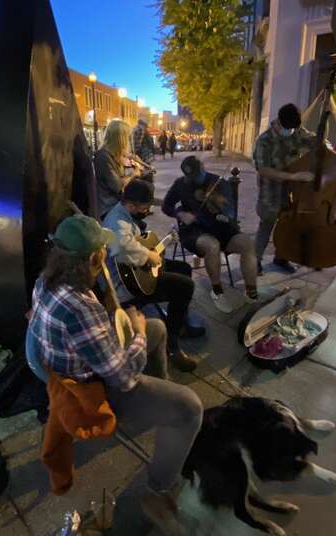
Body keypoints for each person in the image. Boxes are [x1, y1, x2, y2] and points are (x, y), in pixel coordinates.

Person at [25, 214, 204, 531]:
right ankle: (158, 489)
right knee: (190, 408)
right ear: (94, 258)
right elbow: (121, 377)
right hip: (91, 388)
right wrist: (135, 332)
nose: (105, 257)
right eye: (102, 253)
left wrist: (124, 321)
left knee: (159, 328)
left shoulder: (44, 281)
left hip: (62, 366)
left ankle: (156, 409)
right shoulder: (80, 307)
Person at [102, 178, 203, 373]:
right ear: (131, 205)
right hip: (126, 288)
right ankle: (172, 346)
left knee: (183, 268)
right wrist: (149, 255)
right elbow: (122, 248)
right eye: (144, 208)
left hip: (135, 273)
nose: (146, 211)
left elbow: (137, 241)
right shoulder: (116, 221)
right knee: (185, 286)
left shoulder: (125, 212)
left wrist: (155, 248)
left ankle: (180, 323)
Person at [162, 156, 258, 314]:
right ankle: (217, 290)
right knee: (212, 246)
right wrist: (180, 213)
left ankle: (251, 290)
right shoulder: (181, 184)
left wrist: (221, 208)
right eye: (190, 177)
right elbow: (166, 206)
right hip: (194, 229)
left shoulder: (219, 183)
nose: (194, 180)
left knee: (248, 244)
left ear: (203, 168)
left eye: (197, 175)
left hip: (221, 227)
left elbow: (231, 213)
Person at [252, 103, 316, 275]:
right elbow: (263, 169)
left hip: (292, 191)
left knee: (288, 225)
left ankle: (281, 257)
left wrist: (325, 143)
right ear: (279, 122)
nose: (291, 132)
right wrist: (293, 177)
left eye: (294, 129)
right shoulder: (264, 140)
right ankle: (255, 260)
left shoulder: (296, 130)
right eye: (288, 129)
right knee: (266, 225)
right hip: (269, 192)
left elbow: (314, 140)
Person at [94, 119, 132, 218]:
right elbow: (117, 185)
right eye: (127, 137)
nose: (128, 141)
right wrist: (134, 174)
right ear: (120, 138)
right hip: (108, 209)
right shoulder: (103, 157)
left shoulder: (114, 155)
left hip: (117, 205)